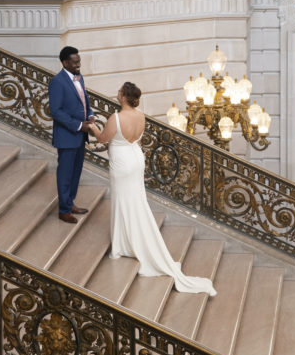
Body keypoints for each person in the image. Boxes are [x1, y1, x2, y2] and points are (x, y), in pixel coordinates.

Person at [89, 82, 216, 295]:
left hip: (121, 162)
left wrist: (92, 126)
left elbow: (103, 138)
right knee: (136, 200)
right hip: (136, 159)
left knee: (122, 200)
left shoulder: (116, 118)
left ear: (122, 97)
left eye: (119, 91)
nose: (117, 92)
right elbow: (136, 141)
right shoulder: (141, 116)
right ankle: (128, 240)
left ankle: (122, 244)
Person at [49, 46, 95, 223]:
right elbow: (56, 111)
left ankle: (70, 202)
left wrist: (90, 115)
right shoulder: (57, 82)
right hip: (67, 136)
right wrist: (78, 126)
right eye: (75, 62)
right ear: (65, 62)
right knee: (65, 174)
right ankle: (64, 210)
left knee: (76, 172)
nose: (78, 65)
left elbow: (85, 101)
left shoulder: (79, 77)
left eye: (79, 61)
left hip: (80, 136)